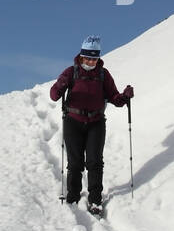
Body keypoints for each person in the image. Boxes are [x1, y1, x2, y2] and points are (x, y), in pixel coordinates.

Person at [50, 35, 134, 213]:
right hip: (73, 121)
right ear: (81, 56)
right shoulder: (70, 72)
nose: (90, 61)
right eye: (87, 57)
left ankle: (95, 199)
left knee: (95, 162)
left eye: (94, 58)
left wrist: (125, 97)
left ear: (98, 58)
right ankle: (73, 195)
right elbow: (54, 95)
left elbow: (114, 98)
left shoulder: (103, 75)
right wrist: (60, 85)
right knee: (75, 163)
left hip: (96, 122)